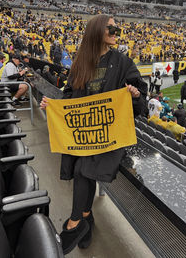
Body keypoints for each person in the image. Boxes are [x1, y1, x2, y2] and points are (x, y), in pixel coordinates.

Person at [40, 14, 147, 254]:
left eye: (117, 28)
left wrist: (135, 95)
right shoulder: (80, 63)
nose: (115, 31)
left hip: (110, 135)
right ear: (97, 30)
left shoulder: (122, 62)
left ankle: (75, 222)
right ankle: (86, 219)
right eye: (111, 28)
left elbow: (141, 99)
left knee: (81, 169)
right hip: (84, 134)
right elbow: (68, 96)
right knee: (82, 167)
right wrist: (53, 106)